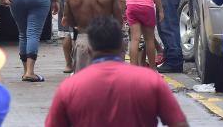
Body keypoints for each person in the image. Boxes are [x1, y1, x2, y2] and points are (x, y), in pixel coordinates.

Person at [45, 16, 188, 127]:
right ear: (123, 45)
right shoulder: (150, 81)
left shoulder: (69, 88)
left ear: (89, 49)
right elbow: (179, 123)